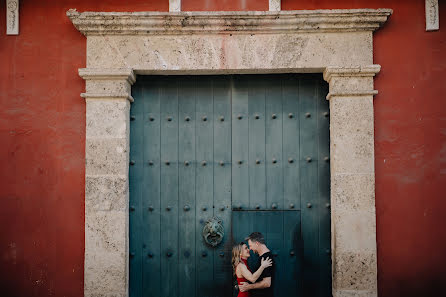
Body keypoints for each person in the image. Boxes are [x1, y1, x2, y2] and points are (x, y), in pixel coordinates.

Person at [239, 232, 275, 297]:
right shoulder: (262, 257)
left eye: (250, 246)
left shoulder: (266, 258)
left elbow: (267, 283)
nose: (250, 248)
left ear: (257, 243)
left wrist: (249, 287)